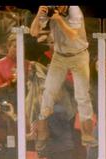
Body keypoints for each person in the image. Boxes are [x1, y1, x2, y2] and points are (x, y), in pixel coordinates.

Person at [30, 6, 96, 150]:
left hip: (79, 55)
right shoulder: (50, 9)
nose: (57, 7)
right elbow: (33, 32)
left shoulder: (74, 10)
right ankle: (41, 132)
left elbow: (73, 35)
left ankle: (88, 135)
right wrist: (38, 15)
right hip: (59, 56)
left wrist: (58, 19)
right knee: (48, 91)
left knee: (82, 96)